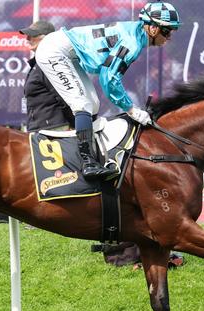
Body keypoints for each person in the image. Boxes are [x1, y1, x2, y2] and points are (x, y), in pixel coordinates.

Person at [34, 2, 181, 179]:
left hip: (64, 50)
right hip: (55, 51)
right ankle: (87, 162)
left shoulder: (137, 35)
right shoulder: (132, 42)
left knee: (93, 104)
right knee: (82, 104)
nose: (169, 37)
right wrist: (131, 109)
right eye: (167, 30)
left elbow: (108, 76)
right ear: (152, 29)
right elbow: (108, 79)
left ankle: (92, 155)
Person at [19, 20, 74, 132]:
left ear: (47, 39)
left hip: (53, 130)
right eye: (27, 35)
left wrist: (72, 125)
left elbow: (64, 98)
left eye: (33, 35)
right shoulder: (39, 62)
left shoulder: (48, 63)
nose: (28, 39)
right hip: (41, 128)